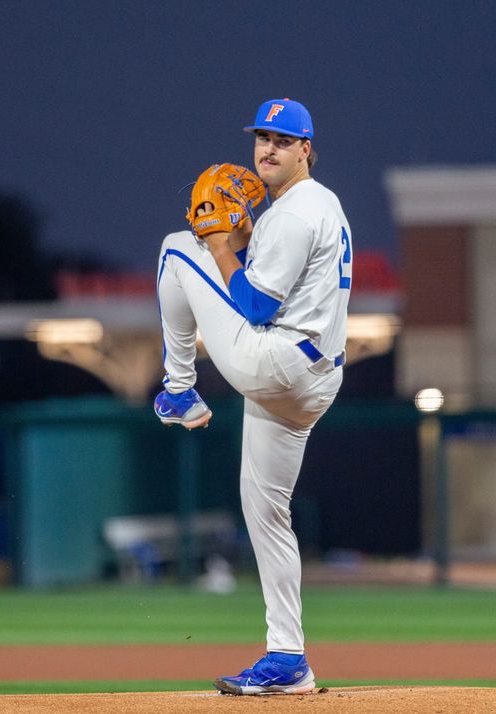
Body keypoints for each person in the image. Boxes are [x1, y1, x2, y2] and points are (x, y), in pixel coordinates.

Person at [154, 97, 352, 695]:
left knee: (176, 247)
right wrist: (241, 240)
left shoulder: (293, 213)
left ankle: (179, 389)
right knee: (267, 513)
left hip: (279, 364)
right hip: (312, 379)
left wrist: (220, 244)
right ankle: (289, 659)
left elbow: (258, 307)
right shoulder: (320, 204)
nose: (268, 148)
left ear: (306, 150)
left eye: (283, 141)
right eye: (262, 138)